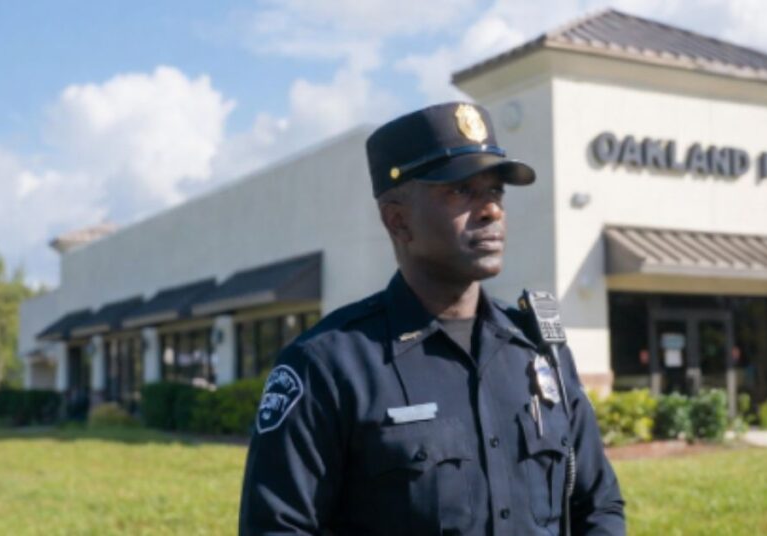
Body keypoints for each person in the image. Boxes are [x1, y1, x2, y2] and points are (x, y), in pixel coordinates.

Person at [239, 102, 625, 535]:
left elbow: (599, 504)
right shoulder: (326, 366)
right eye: (461, 191)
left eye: (496, 191)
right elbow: (278, 527)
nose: (491, 210)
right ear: (398, 221)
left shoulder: (536, 351)